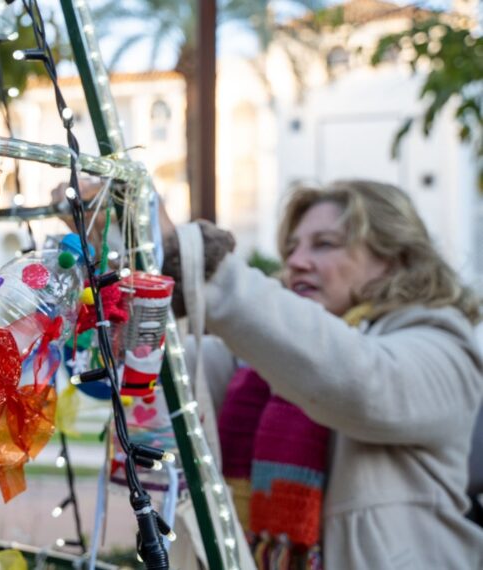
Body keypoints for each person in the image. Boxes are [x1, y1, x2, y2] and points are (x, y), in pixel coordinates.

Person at [162, 180, 483, 569]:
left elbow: (355, 380)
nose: (296, 261)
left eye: (324, 243)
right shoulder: (257, 363)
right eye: (293, 247)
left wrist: (200, 265)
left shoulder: (442, 346)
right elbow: (166, 370)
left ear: (395, 258)